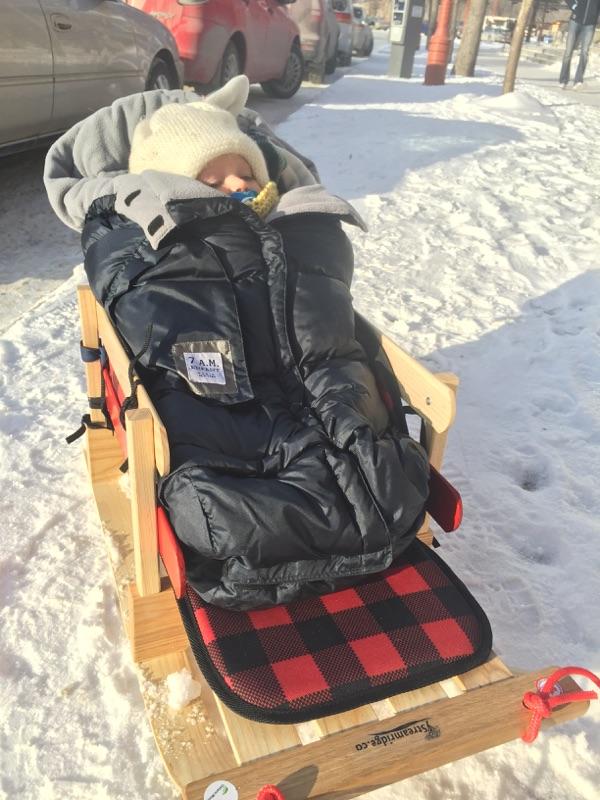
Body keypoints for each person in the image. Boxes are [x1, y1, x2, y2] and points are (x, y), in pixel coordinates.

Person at [44, 76, 430, 610]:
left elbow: (328, 337)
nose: (236, 186)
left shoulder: (297, 223)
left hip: (316, 386)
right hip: (219, 411)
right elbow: (151, 326)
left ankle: (348, 506)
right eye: (211, 178)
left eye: (245, 173)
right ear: (169, 186)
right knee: (226, 499)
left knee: (377, 469)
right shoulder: (144, 240)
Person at [559, 0, 600, 88]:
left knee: (584, 52)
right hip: (575, 20)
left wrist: (596, 18)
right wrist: (574, 6)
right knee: (568, 51)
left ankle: (578, 80)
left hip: (590, 24)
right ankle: (563, 80)